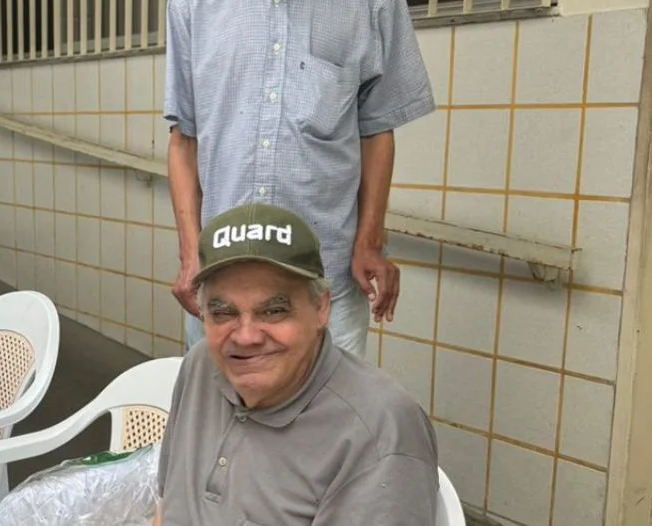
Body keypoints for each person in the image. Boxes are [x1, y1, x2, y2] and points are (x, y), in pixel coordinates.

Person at [163, 0, 436, 356]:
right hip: (223, 279)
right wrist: (191, 253)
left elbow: (376, 129)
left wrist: (370, 241)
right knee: (219, 433)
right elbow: (183, 139)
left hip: (325, 281)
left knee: (331, 434)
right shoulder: (193, 1)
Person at [153, 202, 439, 525]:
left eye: (273, 310)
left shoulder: (380, 431)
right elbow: (165, 511)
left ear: (321, 309)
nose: (245, 337)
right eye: (223, 312)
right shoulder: (201, 366)